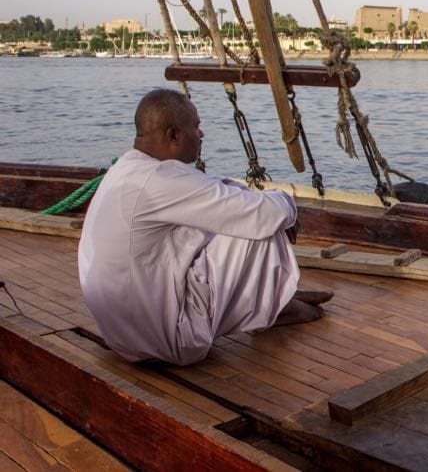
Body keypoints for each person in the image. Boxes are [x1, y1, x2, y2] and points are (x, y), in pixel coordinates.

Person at [79, 89, 333, 366]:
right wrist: (288, 207)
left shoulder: (128, 168)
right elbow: (262, 214)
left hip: (123, 337)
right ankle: (273, 307)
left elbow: (213, 188)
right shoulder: (159, 179)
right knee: (258, 225)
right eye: (196, 126)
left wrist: (268, 205)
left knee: (236, 216)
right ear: (173, 135)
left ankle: (274, 296)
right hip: (169, 340)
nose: (201, 134)